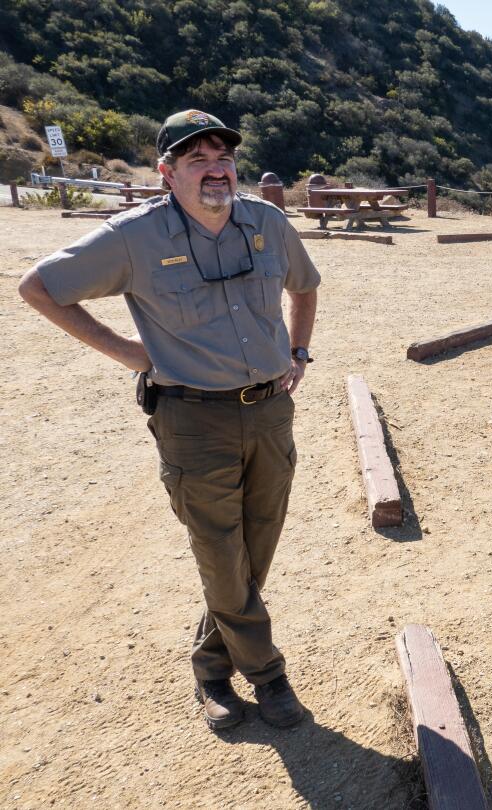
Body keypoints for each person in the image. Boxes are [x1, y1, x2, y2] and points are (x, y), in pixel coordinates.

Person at [18, 109, 321, 731]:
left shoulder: (267, 221)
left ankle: (210, 663)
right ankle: (267, 676)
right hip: (192, 419)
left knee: (254, 549)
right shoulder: (134, 236)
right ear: (167, 173)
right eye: (197, 161)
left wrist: (298, 352)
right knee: (219, 552)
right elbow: (39, 287)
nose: (216, 171)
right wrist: (128, 352)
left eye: (223, 159)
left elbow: (305, 285)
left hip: (269, 411)